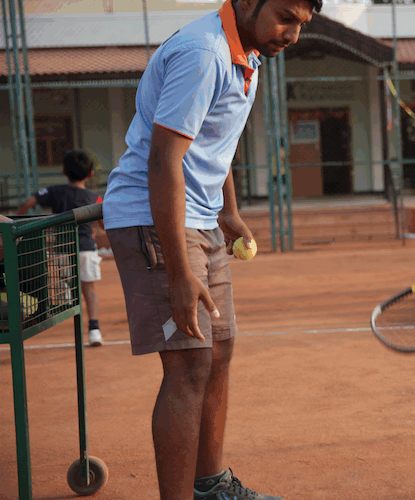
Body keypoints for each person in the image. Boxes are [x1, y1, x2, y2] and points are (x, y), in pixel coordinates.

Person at [101, 0, 320, 498]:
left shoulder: (249, 57)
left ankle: (211, 487)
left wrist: (229, 211)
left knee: (219, 353)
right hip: (156, 219)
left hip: (202, 219)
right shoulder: (205, 53)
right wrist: (179, 272)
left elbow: (218, 142)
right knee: (189, 365)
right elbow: (163, 159)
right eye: (285, 17)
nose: (292, 34)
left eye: (302, 25)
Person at [17, 149, 104, 346]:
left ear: (64, 171)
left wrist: (18, 228)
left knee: (67, 292)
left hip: (63, 250)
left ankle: (69, 310)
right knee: (89, 290)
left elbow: (26, 204)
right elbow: (104, 223)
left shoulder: (54, 191)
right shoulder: (95, 197)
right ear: (91, 174)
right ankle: (94, 330)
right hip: (87, 249)